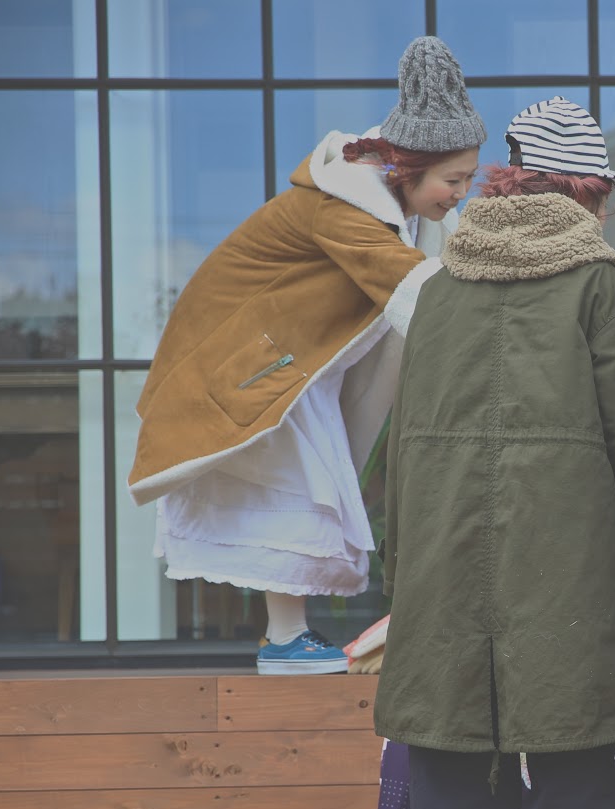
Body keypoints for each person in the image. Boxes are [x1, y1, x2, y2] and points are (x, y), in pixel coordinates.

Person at [374, 97, 615, 809]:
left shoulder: (440, 286)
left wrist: (403, 572)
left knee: (449, 773)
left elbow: (401, 450)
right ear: (584, 193)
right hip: (572, 565)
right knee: (573, 773)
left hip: (441, 561)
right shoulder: (601, 289)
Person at [126, 37, 485, 675]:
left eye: (467, 180)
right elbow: (417, 288)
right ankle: (285, 640)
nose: (460, 193)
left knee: (301, 494)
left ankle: (286, 636)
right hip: (256, 373)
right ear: (407, 170)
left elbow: (449, 265)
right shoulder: (343, 208)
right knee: (293, 495)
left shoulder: (390, 205)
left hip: (284, 372)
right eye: (453, 180)